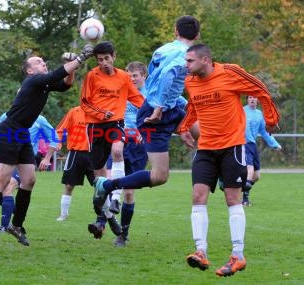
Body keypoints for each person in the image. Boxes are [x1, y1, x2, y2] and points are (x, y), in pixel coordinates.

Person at [0, 45, 93, 246]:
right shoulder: (33, 81)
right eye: (38, 62)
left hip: (21, 133)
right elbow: (58, 73)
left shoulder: (43, 84)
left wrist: (72, 68)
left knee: (29, 180)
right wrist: (80, 58)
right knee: (2, 180)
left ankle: (16, 225)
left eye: (43, 61)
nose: (43, 63)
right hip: (9, 130)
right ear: (29, 70)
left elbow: (65, 84)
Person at [178, 44, 280, 277]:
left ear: (205, 60)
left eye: (190, 61)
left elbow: (261, 89)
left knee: (232, 198)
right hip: (205, 148)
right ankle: (200, 251)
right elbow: (193, 107)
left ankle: (238, 255)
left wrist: (271, 118)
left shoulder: (230, 72)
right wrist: (184, 127)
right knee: (197, 195)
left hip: (232, 146)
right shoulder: (191, 82)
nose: (186, 65)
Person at [93, 15, 200, 209]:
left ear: (175, 31)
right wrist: (159, 108)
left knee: (208, 134)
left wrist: (182, 120)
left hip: (168, 106)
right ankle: (107, 185)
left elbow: (156, 82)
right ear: (198, 35)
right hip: (156, 112)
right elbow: (168, 75)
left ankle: (221, 174)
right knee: (159, 176)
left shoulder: (162, 50)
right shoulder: (186, 54)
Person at [79, 41, 144, 239]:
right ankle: (109, 217)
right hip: (95, 127)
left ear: (114, 57)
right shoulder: (92, 76)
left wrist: (152, 113)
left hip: (116, 123)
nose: (104, 62)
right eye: (100, 60)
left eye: (107, 58)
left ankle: (115, 198)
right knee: (99, 180)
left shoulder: (124, 77)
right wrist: (100, 113)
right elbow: (84, 103)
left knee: (117, 151)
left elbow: (137, 99)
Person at [0, 112, 58, 232]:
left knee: (8, 187)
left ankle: (3, 227)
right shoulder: (7, 116)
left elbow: (54, 137)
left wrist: (46, 158)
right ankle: (17, 211)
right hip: (8, 157)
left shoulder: (39, 119)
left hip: (25, 161)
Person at [113, 61, 150, 247]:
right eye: (129, 75)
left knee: (129, 192)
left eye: (135, 75)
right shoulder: (122, 92)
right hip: (120, 139)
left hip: (138, 145)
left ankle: (123, 234)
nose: (132, 79)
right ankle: (105, 218)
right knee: (106, 179)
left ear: (144, 76)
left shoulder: (151, 94)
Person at [54, 106, 95, 222]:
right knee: (69, 185)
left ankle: (106, 215)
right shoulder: (74, 112)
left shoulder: (99, 112)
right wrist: (58, 143)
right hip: (75, 153)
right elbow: (60, 130)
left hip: (94, 154)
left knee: (100, 186)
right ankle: (63, 214)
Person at [242, 96, 282, 206]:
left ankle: (242, 189)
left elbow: (264, 132)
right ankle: (244, 200)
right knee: (249, 169)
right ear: (247, 100)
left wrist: (275, 144)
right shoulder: (242, 111)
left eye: (254, 97)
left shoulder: (259, 114)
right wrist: (248, 139)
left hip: (252, 145)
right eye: (250, 97)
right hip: (243, 143)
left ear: (257, 100)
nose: (252, 99)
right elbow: (245, 128)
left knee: (256, 176)